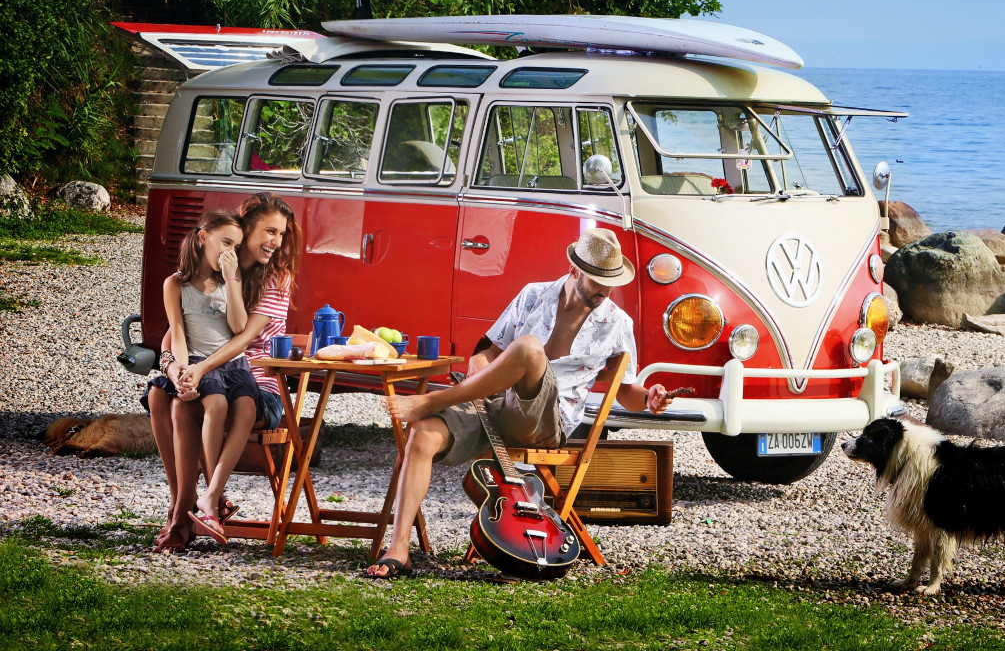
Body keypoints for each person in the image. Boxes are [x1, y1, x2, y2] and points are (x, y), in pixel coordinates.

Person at [364, 228, 673, 578]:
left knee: (527, 348)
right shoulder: (534, 295)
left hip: (545, 421)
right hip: (496, 407)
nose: (606, 290)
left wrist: (649, 398)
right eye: (598, 280)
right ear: (574, 271)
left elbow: (626, 392)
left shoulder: (618, 323)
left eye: (611, 281)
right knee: (423, 433)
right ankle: (399, 548)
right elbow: (486, 354)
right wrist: (479, 378)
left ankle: (434, 399)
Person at [146, 192, 302, 553]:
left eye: (281, 235)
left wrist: (198, 369)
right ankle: (183, 508)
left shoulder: (275, 277)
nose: (276, 243)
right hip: (208, 371)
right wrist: (175, 370)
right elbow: (175, 330)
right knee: (163, 396)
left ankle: (186, 512)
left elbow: (244, 338)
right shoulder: (208, 273)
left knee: (197, 405)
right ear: (245, 230)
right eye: (269, 232)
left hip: (256, 380)